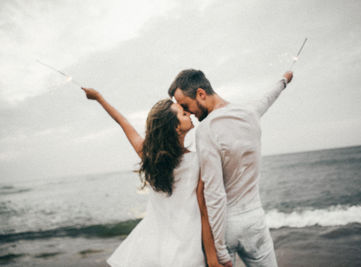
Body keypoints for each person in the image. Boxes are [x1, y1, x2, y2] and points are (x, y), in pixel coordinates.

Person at [81, 87, 223, 267]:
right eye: (182, 112)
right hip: (185, 249)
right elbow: (205, 211)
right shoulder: (199, 160)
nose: (188, 112)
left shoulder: (150, 157)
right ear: (176, 127)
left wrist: (99, 97)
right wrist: (212, 258)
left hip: (151, 248)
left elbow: (122, 121)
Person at [168, 69, 293, 266]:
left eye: (186, 105)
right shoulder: (250, 113)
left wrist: (219, 249)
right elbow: (268, 97)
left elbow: (214, 193)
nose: (189, 113)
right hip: (255, 222)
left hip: (226, 227)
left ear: (201, 93)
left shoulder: (207, 129)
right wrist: (284, 80)